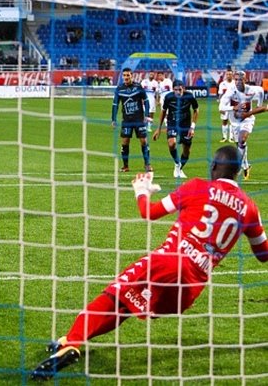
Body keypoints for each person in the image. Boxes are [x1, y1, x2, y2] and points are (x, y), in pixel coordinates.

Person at [31, 145, 268, 380]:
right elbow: (263, 254)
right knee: (126, 303)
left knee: (113, 295)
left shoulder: (197, 186)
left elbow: (150, 212)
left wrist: (142, 191)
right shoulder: (250, 208)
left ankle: (71, 344)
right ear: (238, 172)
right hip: (191, 287)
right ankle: (71, 339)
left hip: (168, 261)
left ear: (214, 166)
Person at [219, 71, 266, 180]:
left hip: (247, 119)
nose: (238, 82)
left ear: (245, 80)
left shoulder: (252, 90)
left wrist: (258, 105)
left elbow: (261, 91)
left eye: (240, 79)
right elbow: (221, 107)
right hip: (234, 121)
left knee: (242, 140)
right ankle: (245, 165)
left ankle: (238, 167)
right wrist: (233, 108)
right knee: (239, 145)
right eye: (236, 79)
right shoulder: (231, 91)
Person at [153, 80, 199, 178]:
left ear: (184, 89)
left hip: (186, 125)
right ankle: (177, 163)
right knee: (172, 143)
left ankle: (179, 168)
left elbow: (196, 110)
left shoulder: (189, 96)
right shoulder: (168, 97)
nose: (177, 92)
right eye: (175, 90)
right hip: (172, 122)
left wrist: (192, 127)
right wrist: (159, 128)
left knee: (186, 151)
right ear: (172, 89)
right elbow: (163, 111)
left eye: (180, 90)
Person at [111, 67, 152, 172]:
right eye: (124, 75)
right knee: (125, 142)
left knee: (144, 141)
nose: (126, 77)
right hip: (127, 120)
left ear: (131, 76)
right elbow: (115, 104)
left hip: (139, 119)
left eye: (128, 75)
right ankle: (125, 166)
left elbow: (146, 100)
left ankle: (147, 164)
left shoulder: (138, 87)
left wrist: (146, 115)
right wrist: (113, 119)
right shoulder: (119, 89)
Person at [217, 70, 236, 143]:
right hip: (224, 105)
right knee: (224, 120)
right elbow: (220, 95)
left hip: (233, 105)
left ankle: (231, 137)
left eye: (230, 74)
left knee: (232, 121)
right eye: (227, 74)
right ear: (226, 75)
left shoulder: (235, 83)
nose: (228, 76)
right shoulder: (222, 84)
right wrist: (220, 107)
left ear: (232, 75)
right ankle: (224, 137)